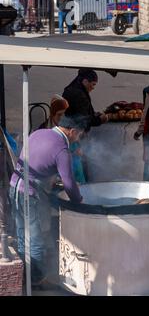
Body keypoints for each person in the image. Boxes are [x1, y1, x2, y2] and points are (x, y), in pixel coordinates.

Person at [9, 114, 88, 288]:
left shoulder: (39, 133)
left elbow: (37, 162)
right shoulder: (61, 149)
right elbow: (69, 183)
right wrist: (79, 201)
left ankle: (25, 277)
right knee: (35, 239)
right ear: (72, 131)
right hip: (28, 194)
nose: (78, 139)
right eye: (79, 135)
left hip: (14, 185)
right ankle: (36, 281)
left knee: (23, 236)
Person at [39, 95, 86, 184]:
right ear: (53, 114)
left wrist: (80, 149)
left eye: (64, 114)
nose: (62, 117)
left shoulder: (69, 126)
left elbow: (78, 140)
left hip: (76, 171)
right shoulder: (44, 130)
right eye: (59, 114)